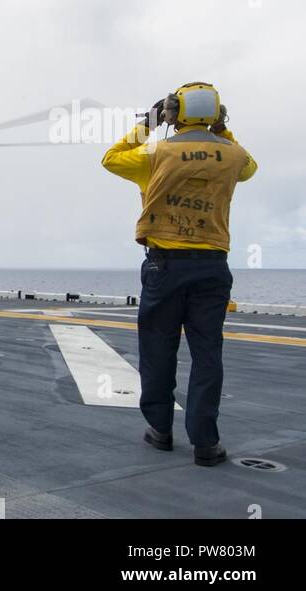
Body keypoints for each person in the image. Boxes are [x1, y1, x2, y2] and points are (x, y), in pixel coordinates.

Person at [102, 82, 258, 467]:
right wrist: (221, 130)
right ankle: (206, 443)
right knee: (208, 354)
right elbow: (250, 168)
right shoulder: (234, 155)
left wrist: (149, 122)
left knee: (158, 350)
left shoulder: (156, 152)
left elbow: (111, 158)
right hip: (212, 267)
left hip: (164, 265)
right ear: (218, 114)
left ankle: (160, 430)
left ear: (173, 113)